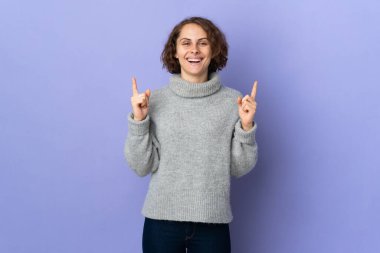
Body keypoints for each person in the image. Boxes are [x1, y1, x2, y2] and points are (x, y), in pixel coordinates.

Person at [124, 16, 258, 253]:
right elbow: (141, 166)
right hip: (160, 222)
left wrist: (246, 128)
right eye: (186, 43)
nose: (194, 50)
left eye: (203, 43)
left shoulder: (233, 102)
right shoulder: (153, 101)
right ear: (174, 51)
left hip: (213, 223)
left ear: (214, 50)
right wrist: (139, 121)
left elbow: (239, 168)